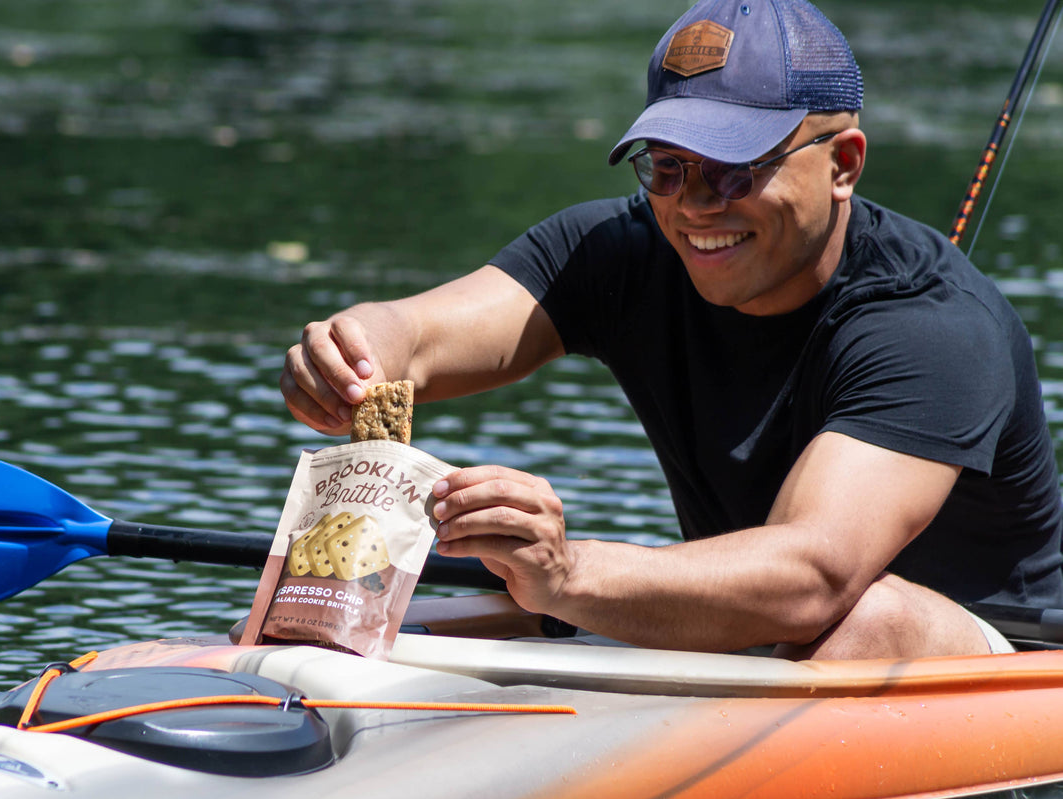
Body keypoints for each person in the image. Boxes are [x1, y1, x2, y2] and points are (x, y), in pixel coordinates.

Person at [280, 0, 1063, 659]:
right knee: (379, 621)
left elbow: (812, 574)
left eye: (732, 169)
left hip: (992, 663)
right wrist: (351, 349)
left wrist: (570, 573)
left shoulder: (932, 326)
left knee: (861, 617)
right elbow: (413, 339)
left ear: (843, 163)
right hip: (749, 634)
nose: (693, 205)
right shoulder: (620, 251)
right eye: (665, 166)